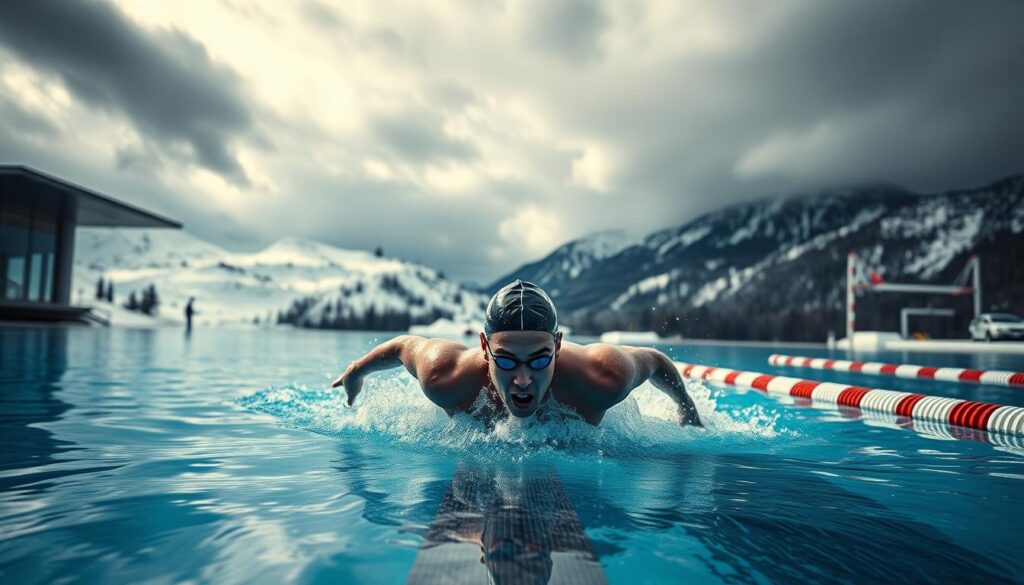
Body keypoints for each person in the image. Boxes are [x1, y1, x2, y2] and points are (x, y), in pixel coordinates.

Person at [332, 280, 702, 427]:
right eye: (506, 360)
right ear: (484, 348)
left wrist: (687, 409)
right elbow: (401, 346)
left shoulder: (603, 377)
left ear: (557, 347)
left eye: (540, 359)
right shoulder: (445, 376)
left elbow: (654, 360)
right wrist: (356, 372)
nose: (523, 379)